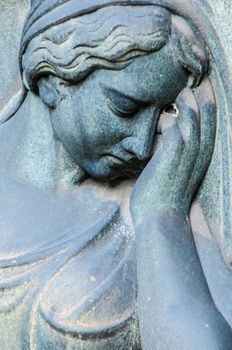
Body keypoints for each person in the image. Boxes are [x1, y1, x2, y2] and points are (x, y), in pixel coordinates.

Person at [0, 1, 231, 349]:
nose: (141, 145)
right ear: (51, 81)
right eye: (126, 107)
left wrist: (161, 217)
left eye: (162, 113)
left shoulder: (159, 197)